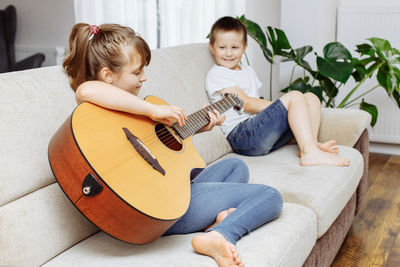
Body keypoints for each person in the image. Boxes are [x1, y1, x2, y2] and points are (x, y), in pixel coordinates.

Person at [63, 23, 283, 267]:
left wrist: (198, 127)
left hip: (171, 190)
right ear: (107, 75)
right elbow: (86, 89)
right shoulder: (96, 99)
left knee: (235, 166)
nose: (144, 78)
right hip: (158, 210)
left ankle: (214, 219)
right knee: (269, 195)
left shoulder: (130, 112)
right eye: (137, 72)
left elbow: (159, 150)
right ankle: (220, 235)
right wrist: (153, 109)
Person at [206, 16, 350, 167]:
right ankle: (310, 153)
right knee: (295, 97)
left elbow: (259, 111)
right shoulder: (218, 74)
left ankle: (310, 145)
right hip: (241, 137)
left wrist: (289, 108)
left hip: (258, 131)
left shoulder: (247, 70)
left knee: (311, 97)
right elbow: (246, 103)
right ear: (212, 47)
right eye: (222, 47)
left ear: (244, 47)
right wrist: (286, 106)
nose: (228, 53)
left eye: (234, 47)